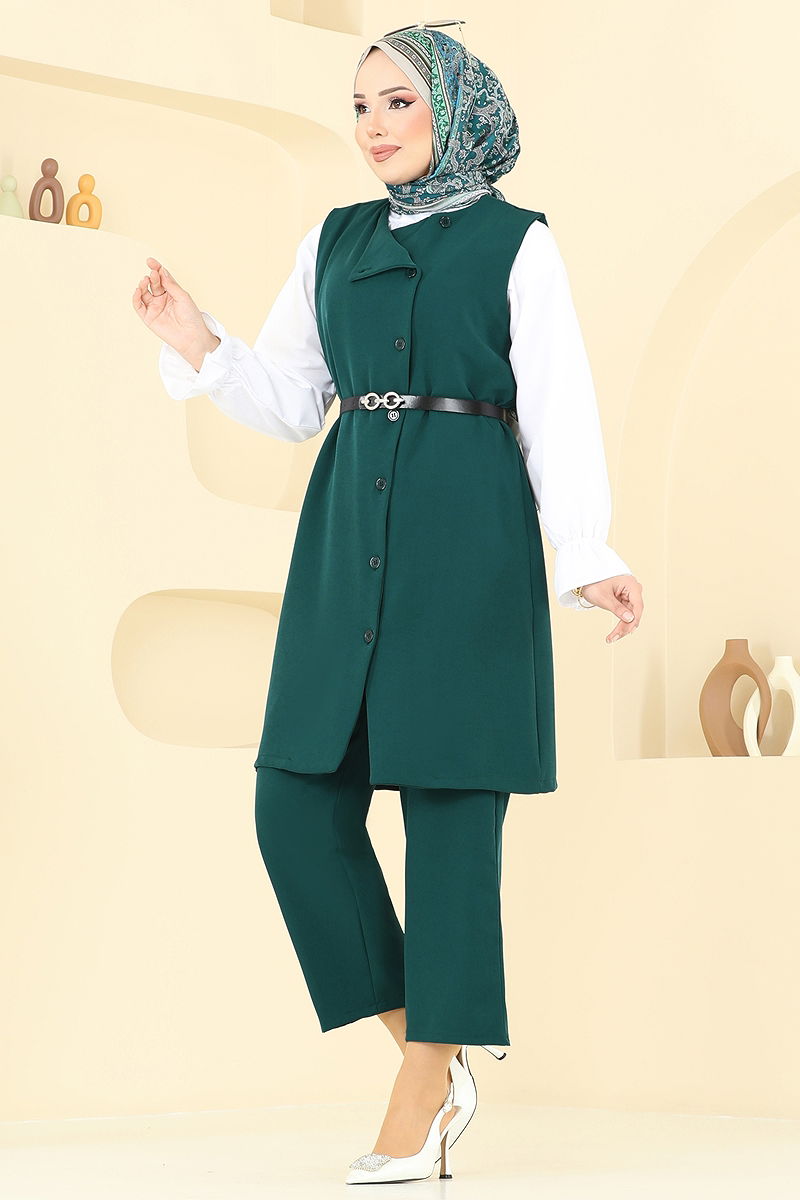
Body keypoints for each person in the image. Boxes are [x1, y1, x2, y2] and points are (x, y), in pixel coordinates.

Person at [132, 20, 643, 1185]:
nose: (372, 126)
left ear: (454, 108)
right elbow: (288, 400)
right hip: (344, 535)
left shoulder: (518, 243)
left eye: (397, 102)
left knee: (451, 821)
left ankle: (419, 1095)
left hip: (468, 538)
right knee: (294, 803)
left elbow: (556, 405)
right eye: (359, 105)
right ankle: (432, 1046)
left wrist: (584, 551)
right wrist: (195, 339)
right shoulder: (332, 239)